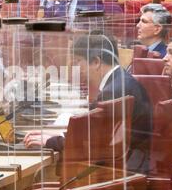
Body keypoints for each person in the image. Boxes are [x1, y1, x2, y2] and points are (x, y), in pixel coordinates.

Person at [24, 34, 153, 175]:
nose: (77, 68)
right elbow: (95, 135)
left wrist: (51, 142)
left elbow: (91, 144)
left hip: (121, 173)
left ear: (96, 62)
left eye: (79, 61)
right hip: (133, 164)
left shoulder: (112, 92)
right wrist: (56, 134)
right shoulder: (120, 81)